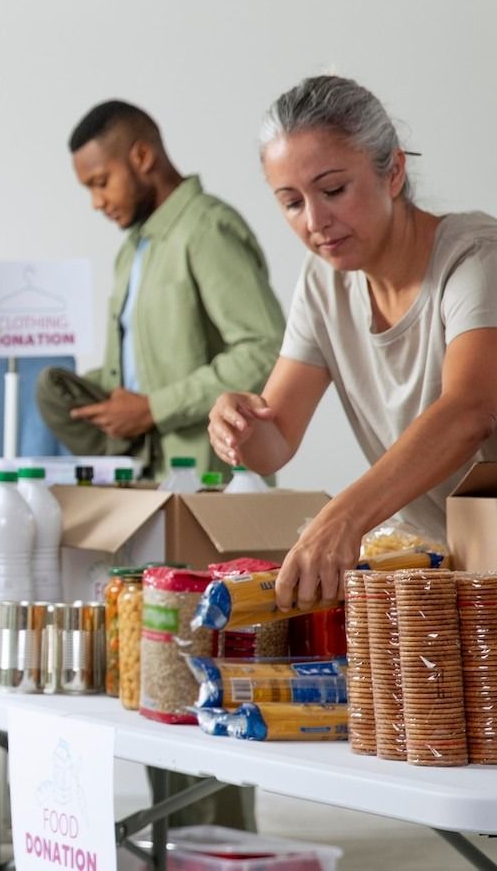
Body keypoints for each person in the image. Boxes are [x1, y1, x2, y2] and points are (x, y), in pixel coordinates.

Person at [211, 74, 497, 610]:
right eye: (291, 202)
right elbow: (275, 440)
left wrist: (341, 518)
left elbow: (469, 411)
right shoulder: (324, 282)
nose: (316, 221)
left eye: (333, 190)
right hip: (444, 577)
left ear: (393, 170)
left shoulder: (476, 259)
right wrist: (238, 423)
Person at [37, 100, 285, 480]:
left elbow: (264, 350)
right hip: (141, 477)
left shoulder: (207, 230)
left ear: (141, 156)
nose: (96, 202)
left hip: (210, 482)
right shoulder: (130, 253)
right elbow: (147, 369)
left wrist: (155, 408)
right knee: (46, 387)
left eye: (101, 183)